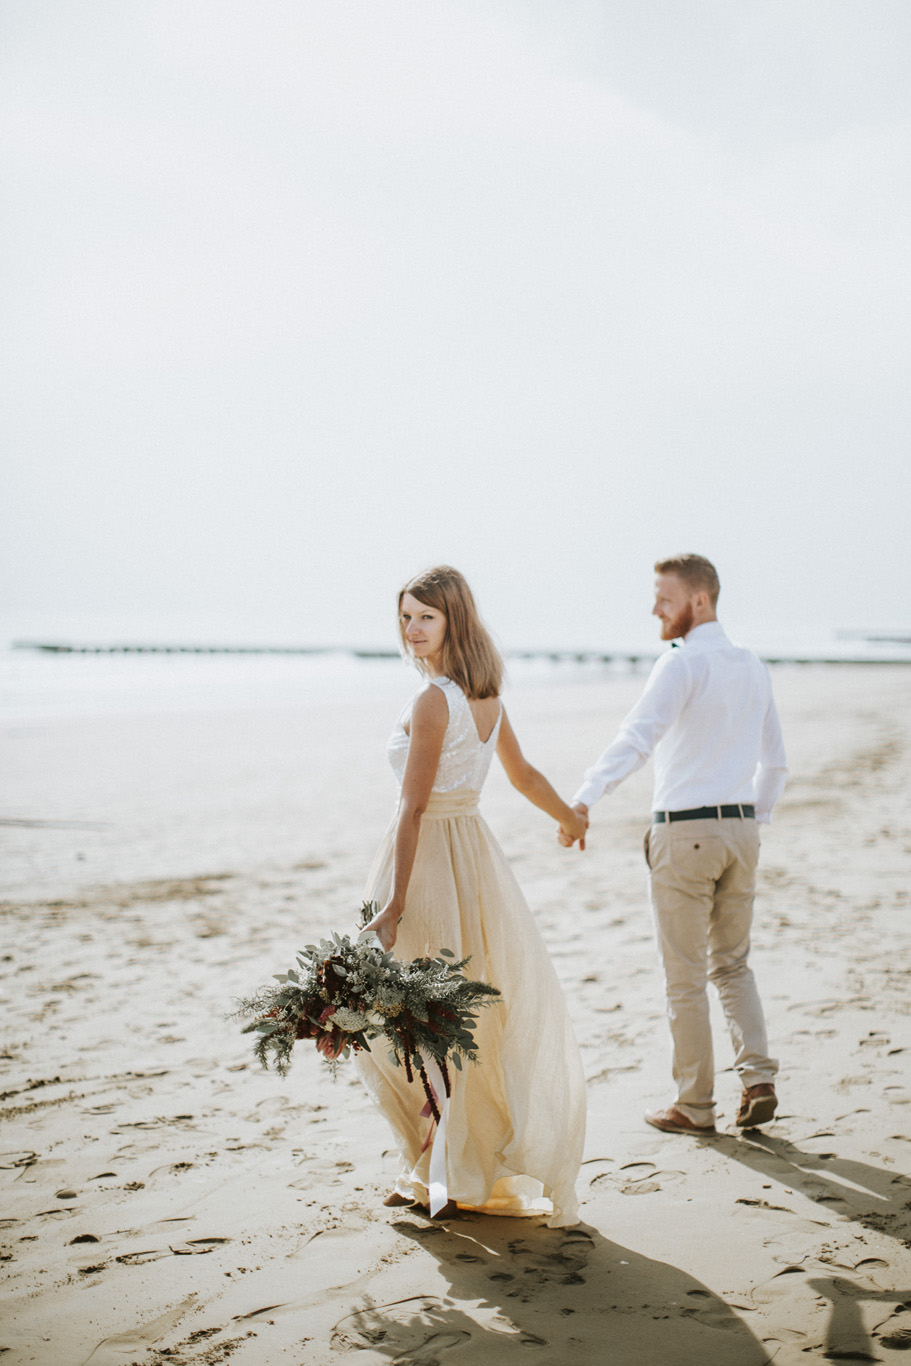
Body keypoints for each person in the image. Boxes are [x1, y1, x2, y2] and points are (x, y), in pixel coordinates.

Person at [357, 565, 587, 1226]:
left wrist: (394, 902)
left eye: (424, 616)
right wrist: (568, 818)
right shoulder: (486, 698)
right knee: (453, 1017)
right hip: (473, 859)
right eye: (404, 617)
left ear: (454, 619)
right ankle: (448, 1166)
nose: (411, 629)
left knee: (422, 1020)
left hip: (428, 860)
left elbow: (411, 808)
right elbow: (524, 777)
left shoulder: (436, 700)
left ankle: (445, 1172)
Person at [561, 555, 787, 1136]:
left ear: (700, 601)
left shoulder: (680, 664)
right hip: (741, 831)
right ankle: (758, 1077)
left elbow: (636, 739)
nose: (655, 609)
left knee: (684, 976)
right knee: (733, 965)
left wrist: (583, 800)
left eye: (664, 597)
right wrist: (750, 820)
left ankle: (694, 1105)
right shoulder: (752, 665)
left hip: (684, 833)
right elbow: (776, 762)